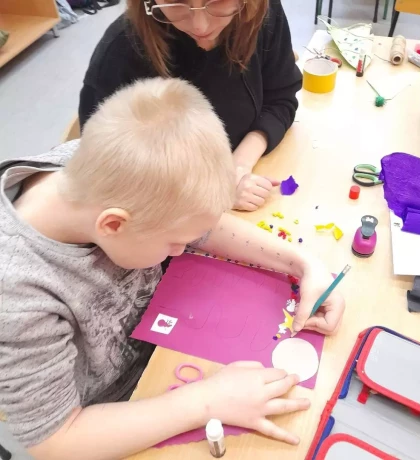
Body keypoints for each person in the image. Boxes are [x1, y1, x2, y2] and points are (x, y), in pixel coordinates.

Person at [0, 78, 344, 460]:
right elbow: (56, 441)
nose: (183, 248)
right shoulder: (17, 296)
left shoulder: (107, 170)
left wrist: (303, 263)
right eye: (174, 243)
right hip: (116, 416)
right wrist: (206, 401)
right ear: (113, 224)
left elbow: (197, 224)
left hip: (169, 344)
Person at [79, 0, 302, 212]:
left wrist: (239, 165)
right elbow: (111, 175)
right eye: (176, 2)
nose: (200, 26)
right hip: (171, 210)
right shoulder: (119, 54)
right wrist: (210, 192)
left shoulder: (262, 12)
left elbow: (280, 98)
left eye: (219, 1)